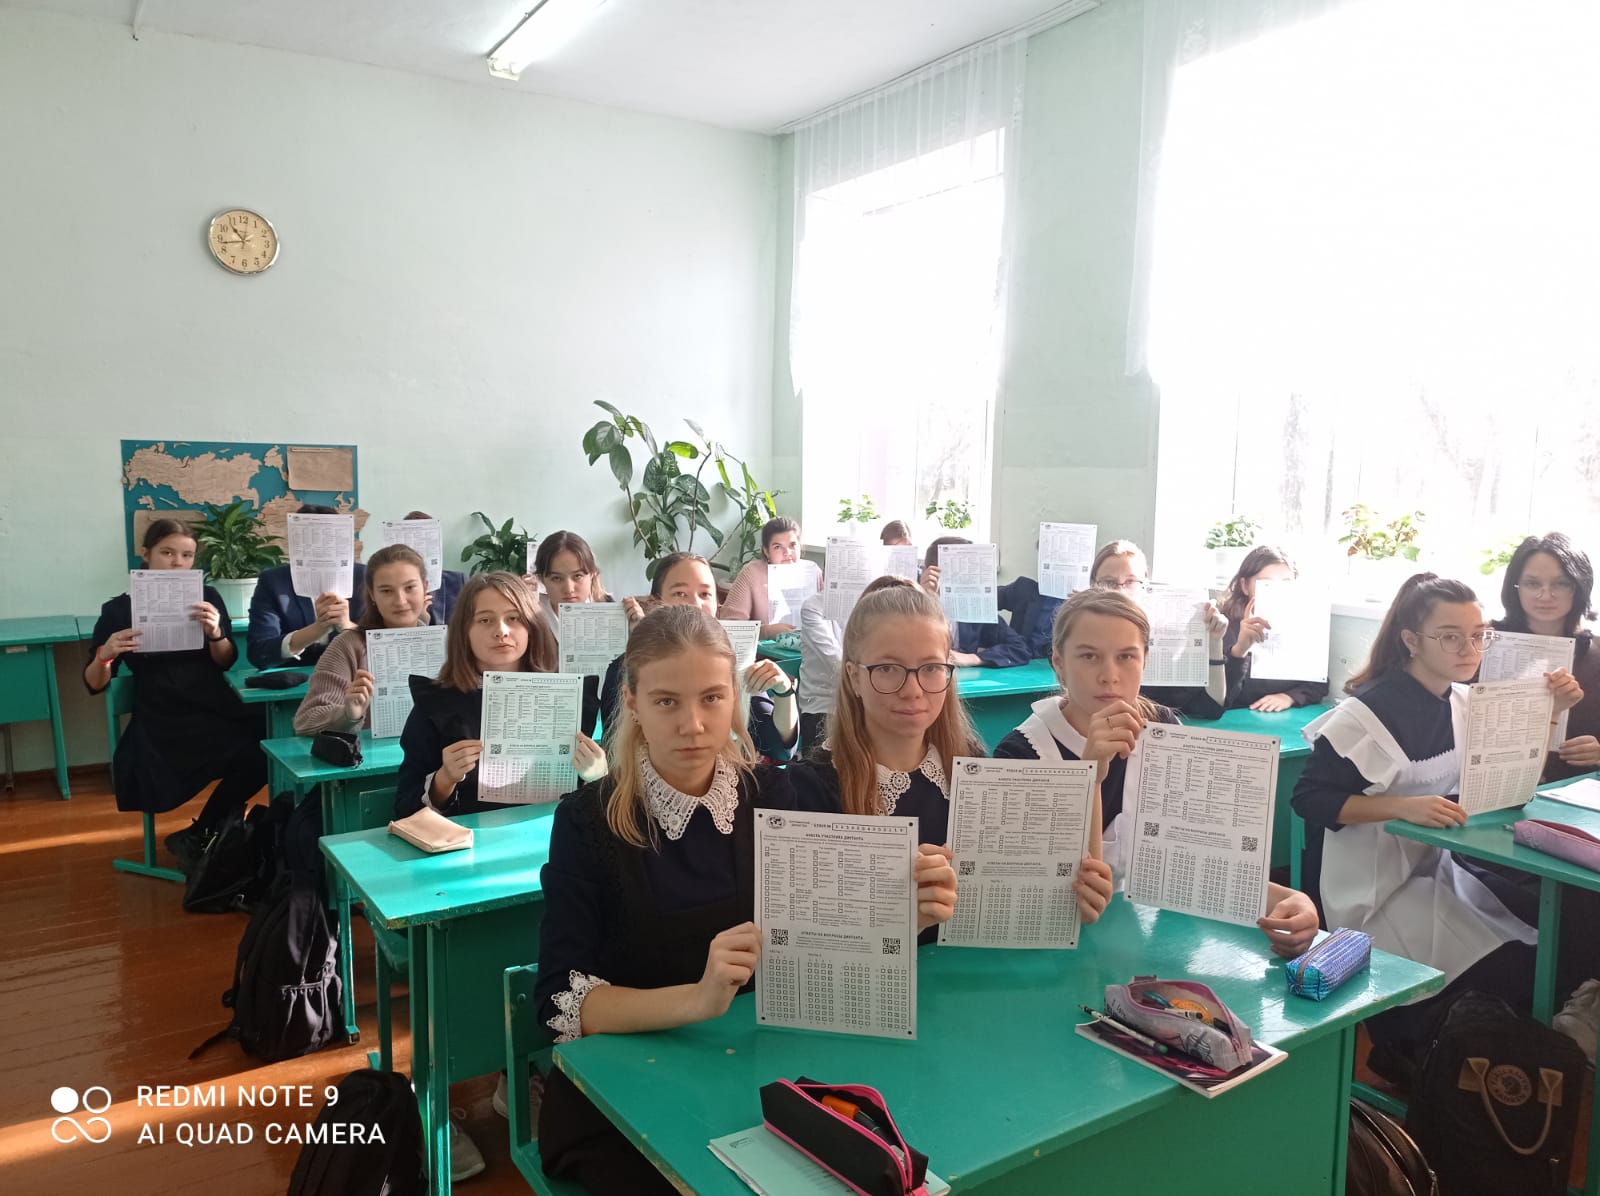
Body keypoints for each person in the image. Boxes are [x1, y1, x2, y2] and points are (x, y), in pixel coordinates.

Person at [534, 606, 800, 1193]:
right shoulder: (587, 821)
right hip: (627, 1089)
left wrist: (895, 909)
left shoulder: (773, 796)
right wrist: (698, 999)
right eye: (666, 702)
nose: (693, 725)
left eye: (712, 699)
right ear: (632, 703)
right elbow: (558, 1001)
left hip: (760, 1067)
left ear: (734, 698)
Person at [1292, 573, 1581, 1078]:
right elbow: (1309, 799)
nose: (1469, 649)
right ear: (1411, 640)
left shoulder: (1465, 702)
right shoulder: (1365, 714)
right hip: (1372, 888)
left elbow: (1510, 781)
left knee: (1552, 937)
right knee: (1505, 966)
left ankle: (1464, 1054)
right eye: (1450, 636)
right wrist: (1402, 807)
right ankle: (1415, 1052)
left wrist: (1550, 712)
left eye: (1478, 635)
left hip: (1435, 867)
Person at [992, 587, 1319, 957]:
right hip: (1054, 954)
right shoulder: (1021, 754)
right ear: (1058, 662)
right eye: (1089, 656)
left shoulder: (1163, 730)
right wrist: (1091, 774)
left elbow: (1191, 866)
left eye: (1126, 656)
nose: (1109, 676)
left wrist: (1286, 900)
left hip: (1145, 942)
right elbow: (1053, 901)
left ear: (1145, 659)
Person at [785, 582, 1103, 933]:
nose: (912, 691)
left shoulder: (975, 773)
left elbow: (1013, 906)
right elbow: (802, 937)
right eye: (887, 669)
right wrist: (897, 920)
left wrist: (1073, 900)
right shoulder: (807, 791)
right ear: (854, 677)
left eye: (931, 668)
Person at [85, 518, 266, 871]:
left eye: (186, 555)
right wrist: (104, 655)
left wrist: (215, 633)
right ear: (146, 554)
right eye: (167, 553)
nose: (177, 563)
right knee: (235, 747)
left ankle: (205, 830)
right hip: (161, 717)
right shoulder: (118, 610)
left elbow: (226, 660)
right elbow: (94, 683)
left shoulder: (208, 597)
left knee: (267, 742)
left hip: (213, 705)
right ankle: (210, 835)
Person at [393, 572, 606, 820]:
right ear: (465, 631)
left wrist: (599, 775)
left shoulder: (568, 697)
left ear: (531, 626)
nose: (501, 631)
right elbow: (404, 808)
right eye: (485, 620)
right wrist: (444, 780)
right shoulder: (435, 704)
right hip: (469, 840)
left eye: (513, 618)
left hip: (553, 835)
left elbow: (596, 805)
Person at [599, 552, 797, 761]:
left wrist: (784, 692)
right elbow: (616, 753)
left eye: (705, 594)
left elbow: (778, 747)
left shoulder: (734, 661)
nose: (695, 604)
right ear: (655, 601)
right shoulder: (626, 668)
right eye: (680, 593)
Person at [292, 543, 440, 735]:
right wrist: (348, 714)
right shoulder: (349, 645)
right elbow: (306, 721)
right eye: (386, 591)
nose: (400, 601)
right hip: (369, 752)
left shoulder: (445, 645)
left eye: (410, 587)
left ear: (425, 588)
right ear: (372, 595)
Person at [1494, 533, 1600, 781]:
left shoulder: (1596, 653)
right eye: (1532, 584)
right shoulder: (1484, 646)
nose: (1545, 595)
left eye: (1560, 584)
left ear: (1579, 587)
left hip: (1576, 794)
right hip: (1498, 788)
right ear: (1515, 587)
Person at [1091, 539, 1228, 718]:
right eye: (1109, 582)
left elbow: (1211, 707)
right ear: (1093, 585)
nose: (1120, 591)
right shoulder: (1082, 634)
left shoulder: (1173, 632)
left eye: (1131, 581)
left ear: (1145, 584)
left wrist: (1215, 640)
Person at [528, 530, 644, 738]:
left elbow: (635, 677)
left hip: (606, 722)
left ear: (592, 575)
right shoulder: (531, 617)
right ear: (541, 579)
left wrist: (639, 632)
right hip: (547, 723)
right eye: (556, 578)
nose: (569, 588)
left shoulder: (613, 612)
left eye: (578, 576)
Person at [246, 503, 366, 669]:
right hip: (296, 677)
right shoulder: (273, 582)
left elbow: (382, 638)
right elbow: (259, 653)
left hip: (353, 674)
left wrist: (347, 626)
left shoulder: (364, 577)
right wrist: (316, 630)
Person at [1219, 545, 1330, 711]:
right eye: (1266, 583)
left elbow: (1319, 683)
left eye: (1286, 583)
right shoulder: (1223, 626)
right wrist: (1239, 651)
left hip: (1280, 716)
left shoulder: (1303, 625)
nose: (1277, 591)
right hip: (1236, 715)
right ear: (1245, 585)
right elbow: (1219, 695)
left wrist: (1289, 697)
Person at [918, 536, 1031, 668]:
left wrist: (974, 658)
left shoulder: (977, 606)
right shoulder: (915, 603)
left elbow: (1020, 649)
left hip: (965, 677)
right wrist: (923, 600)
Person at [720, 516, 815, 637]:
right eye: (777, 547)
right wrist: (765, 632)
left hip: (810, 645)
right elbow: (729, 626)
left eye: (792, 545)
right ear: (766, 551)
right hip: (764, 647)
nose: (787, 552)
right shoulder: (752, 573)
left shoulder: (813, 571)